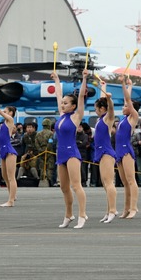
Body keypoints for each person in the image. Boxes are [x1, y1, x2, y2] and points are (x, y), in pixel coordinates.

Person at [51, 69, 88, 229]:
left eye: (66, 103)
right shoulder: (61, 115)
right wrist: (57, 79)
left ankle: (82, 214)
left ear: (73, 106)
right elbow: (58, 94)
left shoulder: (75, 116)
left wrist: (84, 78)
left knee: (76, 185)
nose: (63, 104)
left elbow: (80, 97)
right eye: (63, 103)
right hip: (61, 154)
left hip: (72, 153)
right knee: (64, 187)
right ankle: (69, 214)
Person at [115, 75, 140, 219]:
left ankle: (134, 208)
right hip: (118, 151)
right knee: (124, 182)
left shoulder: (133, 117)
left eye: (125, 106)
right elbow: (127, 99)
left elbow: (128, 100)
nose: (123, 107)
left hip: (126, 151)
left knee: (131, 180)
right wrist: (130, 85)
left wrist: (123, 84)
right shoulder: (124, 119)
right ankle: (126, 208)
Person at [93, 82, 117, 224]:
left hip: (107, 152)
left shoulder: (108, 118)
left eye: (96, 108)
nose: (95, 110)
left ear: (101, 109)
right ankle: (108, 211)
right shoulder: (100, 119)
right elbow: (104, 102)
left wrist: (109, 99)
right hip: (100, 153)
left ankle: (113, 210)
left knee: (109, 183)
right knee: (105, 184)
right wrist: (103, 87)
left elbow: (111, 109)